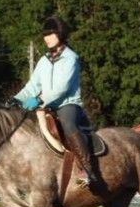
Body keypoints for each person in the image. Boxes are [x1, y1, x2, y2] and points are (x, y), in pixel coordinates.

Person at [12, 16, 101, 190]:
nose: (47, 38)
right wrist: (17, 99)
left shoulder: (70, 58)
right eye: (45, 35)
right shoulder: (44, 60)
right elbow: (32, 85)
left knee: (68, 126)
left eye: (50, 34)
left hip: (67, 105)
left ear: (60, 34)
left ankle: (88, 169)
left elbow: (61, 88)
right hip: (46, 106)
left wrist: (38, 100)